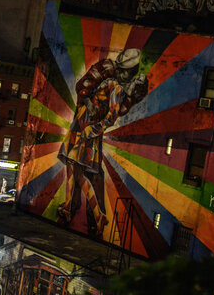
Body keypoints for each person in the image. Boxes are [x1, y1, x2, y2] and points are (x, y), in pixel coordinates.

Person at [58, 48, 148, 236]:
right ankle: (82, 211)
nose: (127, 76)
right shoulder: (107, 71)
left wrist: (92, 128)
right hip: (82, 122)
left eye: (131, 74)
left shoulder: (118, 88)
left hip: (88, 128)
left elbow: (113, 115)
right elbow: (83, 87)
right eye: (126, 72)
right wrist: (89, 106)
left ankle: (91, 214)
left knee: (80, 170)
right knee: (74, 167)